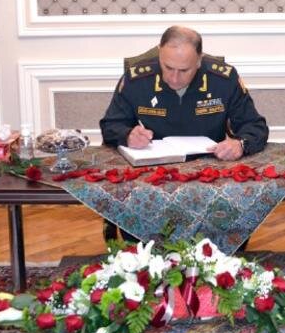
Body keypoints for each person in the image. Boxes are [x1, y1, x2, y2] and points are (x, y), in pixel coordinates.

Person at [100, 25, 269, 242]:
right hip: (153, 175)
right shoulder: (137, 79)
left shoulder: (223, 79)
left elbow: (255, 126)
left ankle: (216, 256)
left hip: (210, 174)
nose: (174, 78)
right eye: (168, 67)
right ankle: (143, 255)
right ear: (160, 54)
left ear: (199, 60)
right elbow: (110, 125)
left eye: (184, 70)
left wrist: (240, 144)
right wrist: (127, 134)